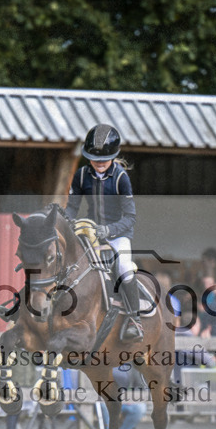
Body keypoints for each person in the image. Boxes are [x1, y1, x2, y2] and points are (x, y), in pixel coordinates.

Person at [66, 123, 143, 342]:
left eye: (104, 159)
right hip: (91, 232)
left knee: (125, 267)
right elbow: (72, 207)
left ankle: (134, 320)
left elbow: (130, 218)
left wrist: (108, 230)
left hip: (118, 233)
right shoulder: (81, 176)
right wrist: (69, 222)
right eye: (94, 158)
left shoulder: (121, 178)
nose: (99, 163)